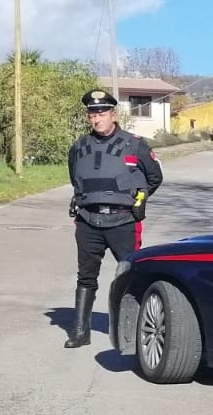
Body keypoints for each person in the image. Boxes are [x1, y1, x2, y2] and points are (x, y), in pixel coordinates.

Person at [64, 88, 162, 348]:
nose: (96, 119)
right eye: (92, 114)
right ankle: (80, 331)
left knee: (132, 274)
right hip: (88, 221)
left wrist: (139, 199)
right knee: (86, 276)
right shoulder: (78, 147)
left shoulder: (136, 144)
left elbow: (154, 178)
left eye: (101, 113)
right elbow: (75, 178)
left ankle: (136, 332)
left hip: (123, 222)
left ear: (113, 114)